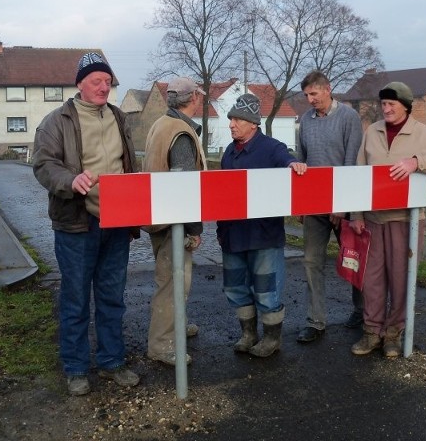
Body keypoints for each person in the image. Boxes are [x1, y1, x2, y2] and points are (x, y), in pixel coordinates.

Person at [33, 52, 140, 395]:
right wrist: (70, 180)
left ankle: (111, 361)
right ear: (80, 83)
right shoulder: (56, 121)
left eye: (108, 81)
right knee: (76, 299)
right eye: (96, 81)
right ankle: (76, 367)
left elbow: (129, 165)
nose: (104, 87)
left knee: (112, 297)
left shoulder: (120, 118)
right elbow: (43, 165)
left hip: (117, 222)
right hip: (77, 224)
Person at [349, 81, 426, 358]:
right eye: (383, 104)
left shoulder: (422, 134)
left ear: (406, 106)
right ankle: (372, 331)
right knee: (371, 279)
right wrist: (356, 214)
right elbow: (359, 173)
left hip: (406, 221)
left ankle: (393, 333)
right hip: (374, 219)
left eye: (391, 104)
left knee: (401, 278)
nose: (385, 109)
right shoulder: (371, 132)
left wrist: (417, 161)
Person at [217, 93, 307, 358]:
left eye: (237, 119)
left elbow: (287, 159)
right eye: (230, 119)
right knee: (235, 286)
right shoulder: (229, 153)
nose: (231, 124)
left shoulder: (271, 147)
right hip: (233, 234)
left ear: (253, 123)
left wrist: (294, 164)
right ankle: (248, 333)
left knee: (267, 289)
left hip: (263, 234)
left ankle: (271, 339)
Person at [295, 70, 364, 343]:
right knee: (312, 262)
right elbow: (301, 162)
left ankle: (362, 312)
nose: (310, 99)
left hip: (343, 206)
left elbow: (352, 163)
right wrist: (300, 203)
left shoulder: (349, 118)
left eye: (314, 93)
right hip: (314, 204)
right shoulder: (305, 121)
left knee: (353, 261)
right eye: (306, 95)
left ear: (328, 89)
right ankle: (316, 321)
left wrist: (342, 205)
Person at [143, 77, 207, 366]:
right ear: (193, 97)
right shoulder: (181, 132)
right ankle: (163, 344)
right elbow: (186, 187)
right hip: (174, 221)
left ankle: (176, 326)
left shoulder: (161, 124)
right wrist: (194, 229)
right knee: (173, 282)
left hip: (159, 215)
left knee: (174, 279)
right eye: (200, 95)